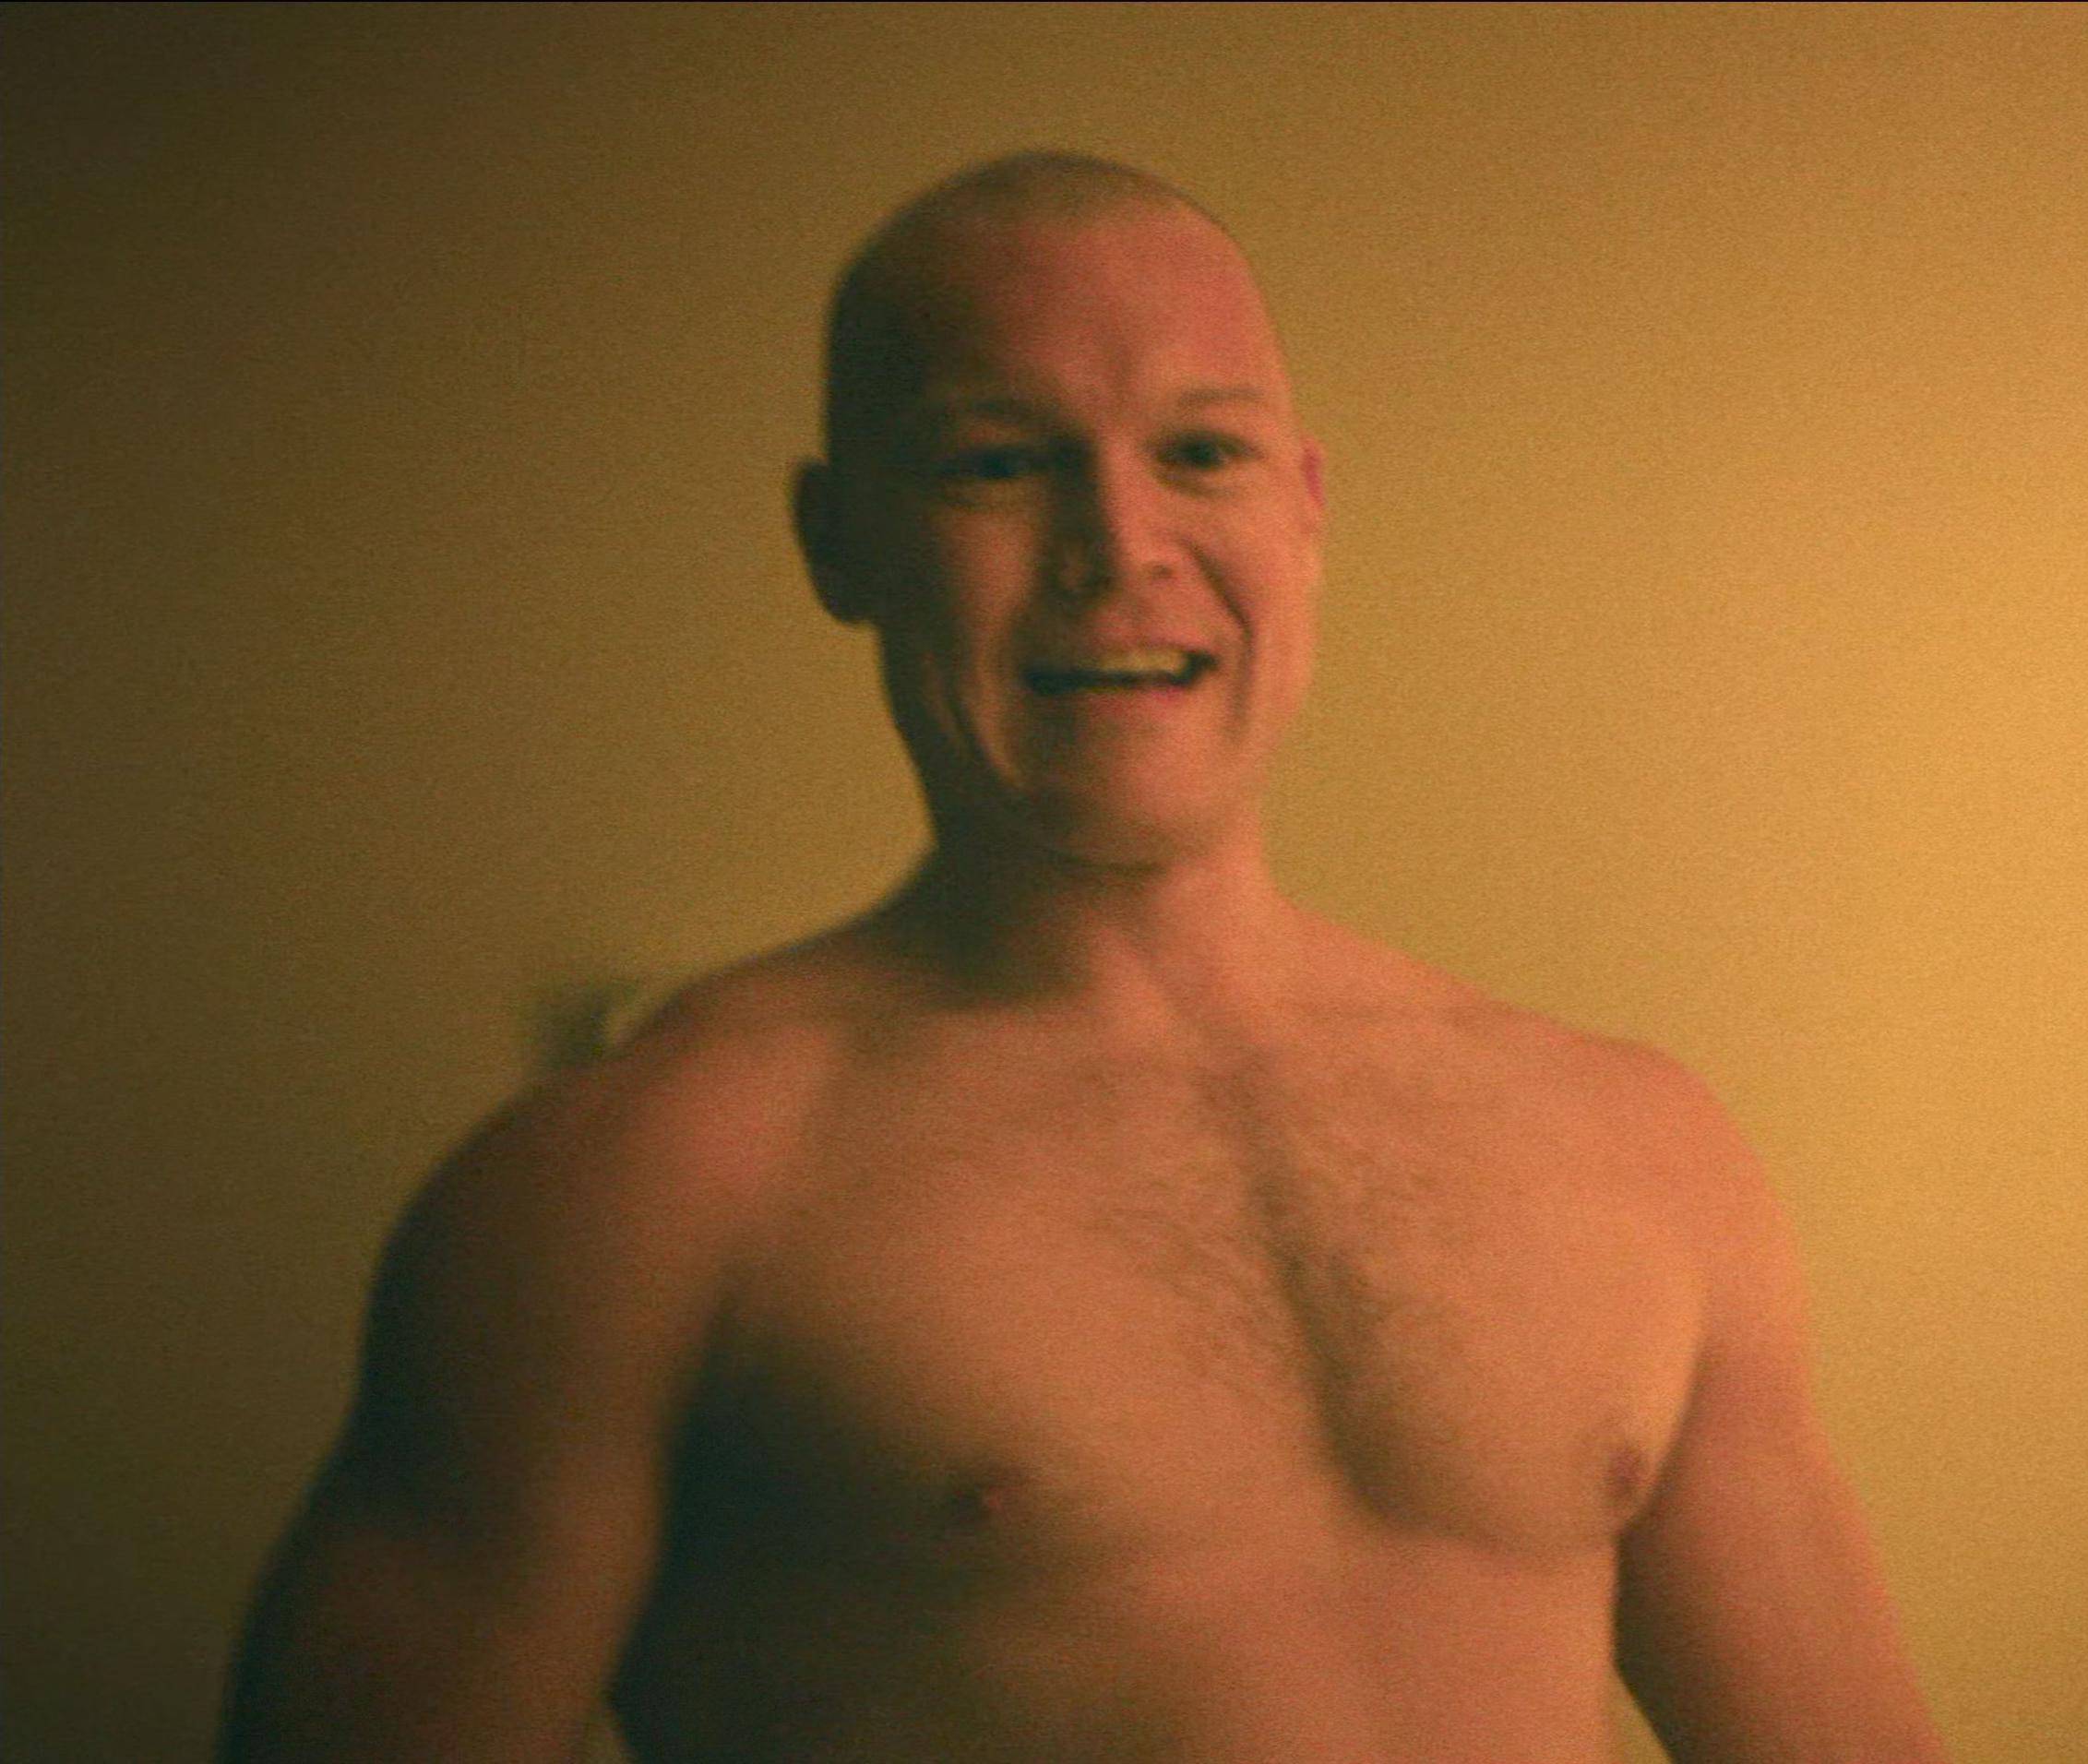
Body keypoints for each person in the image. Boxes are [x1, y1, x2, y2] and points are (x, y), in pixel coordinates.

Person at [220, 150, 1944, 1764]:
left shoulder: (1639, 1148)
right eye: (997, 461)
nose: (1118, 547)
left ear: (1307, 504)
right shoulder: (644, 1188)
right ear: (839, 539)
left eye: (1201, 453)